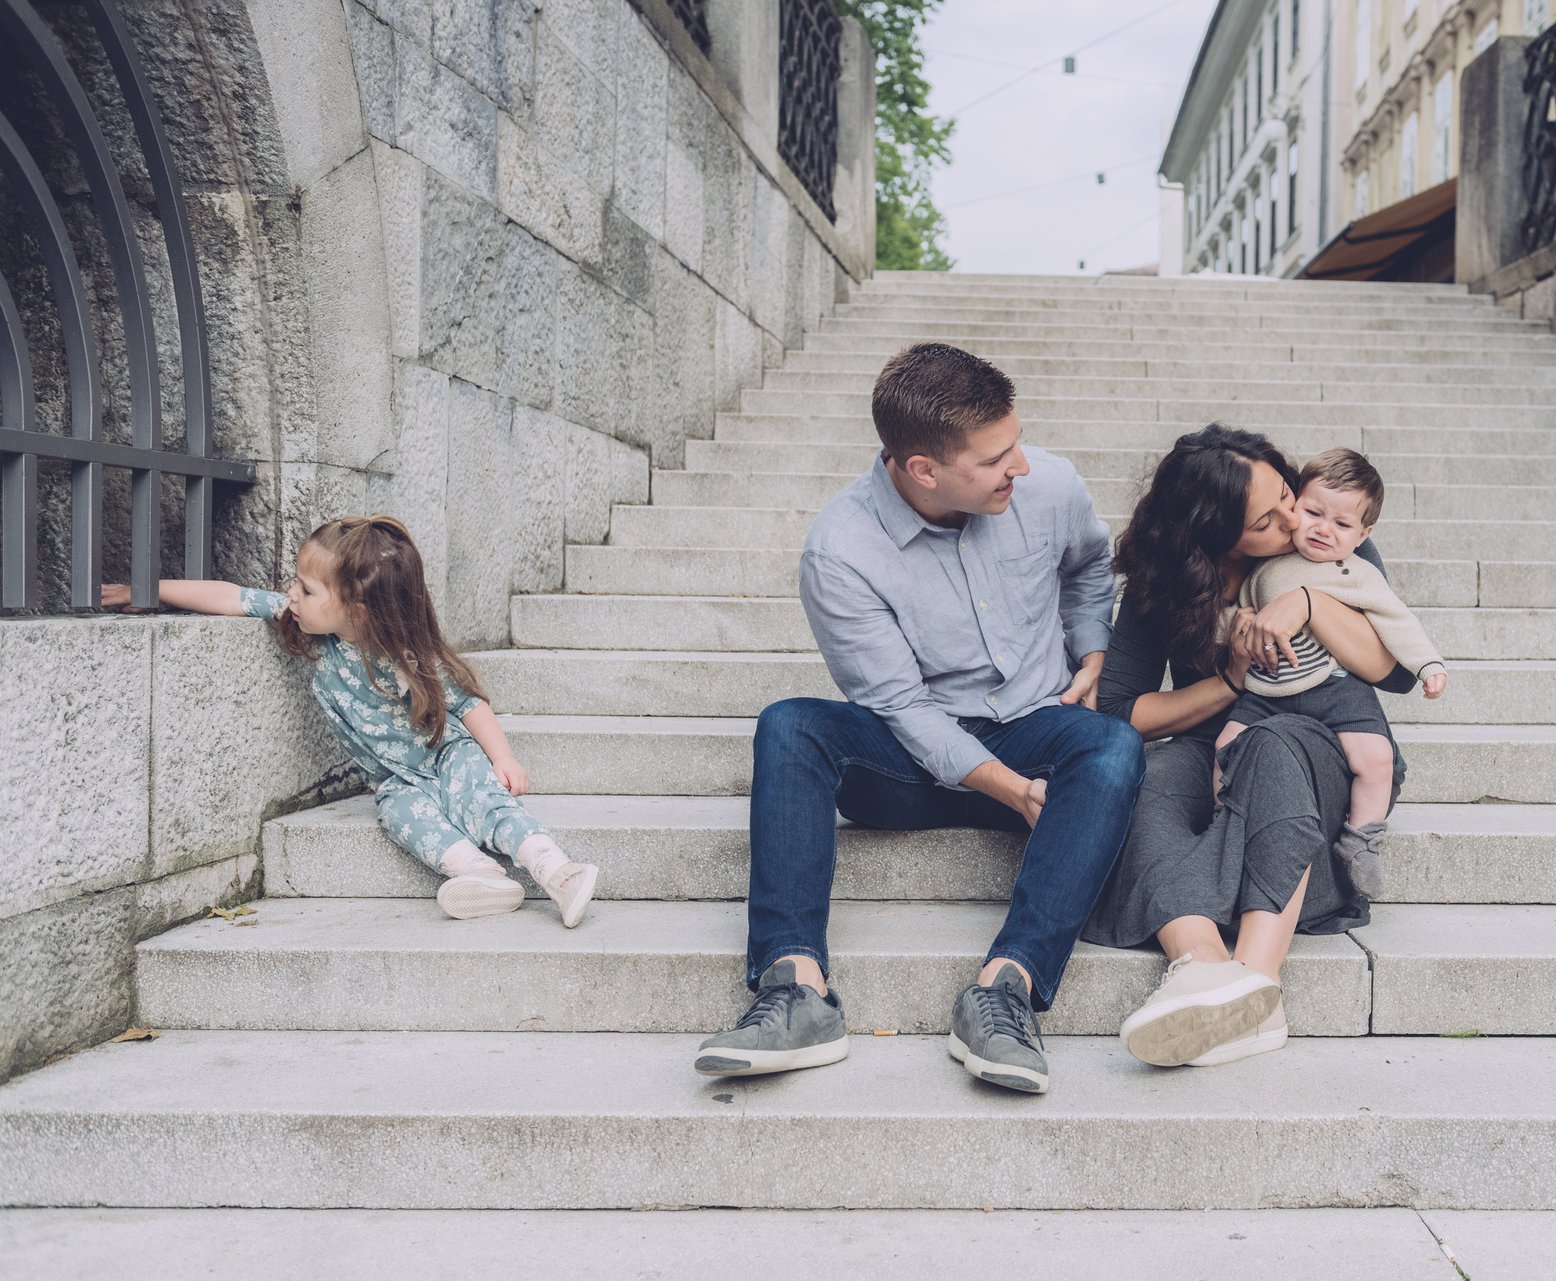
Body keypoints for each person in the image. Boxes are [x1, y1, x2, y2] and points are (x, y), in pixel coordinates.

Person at [694, 342, 1145, 1095]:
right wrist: (1011, 790)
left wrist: (1091, 646)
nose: (1020, 467)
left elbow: (1089, 565)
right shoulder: (840, 552)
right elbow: (901, 707)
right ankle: (795, 987)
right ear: (923, 469)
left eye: (1016, 444)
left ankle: (1006, 990)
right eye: (994, 459)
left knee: (1114, 747)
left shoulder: (1049, 485)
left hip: (1035, 727)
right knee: (790, 725)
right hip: (908, 762)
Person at [1084, 425, 1415, 1068]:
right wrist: (1231, 680)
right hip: (1212, 745)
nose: (1296, 519)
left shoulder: (1328, 539)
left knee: (1271, 743)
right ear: (1216, 538)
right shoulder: (1169, 578)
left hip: (1323, 745)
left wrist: (1310, 603)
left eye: (1286, 493)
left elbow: (1393, 670)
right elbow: (1122, 711)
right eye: (1267, 520)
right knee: (1140, 782)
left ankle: (1257, 982)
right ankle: (1201, 966)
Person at [100, 516, 598, 927]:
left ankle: (558, 871)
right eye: (297, 583)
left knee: (486, 804)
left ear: (357, 612)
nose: (292, 594)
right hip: (394, 779)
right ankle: (480, 875)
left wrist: (503, 758)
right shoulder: (315, 636)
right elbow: (234, 597)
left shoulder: (405, 655)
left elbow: (468, 704)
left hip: (446, 754)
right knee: (402, 818)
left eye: (306, 589)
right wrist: (149, 591)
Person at [1214, 447, 1446, 898]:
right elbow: (1239, 616)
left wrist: (1428, 664)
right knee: (1225, 747)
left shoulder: (1358, 574)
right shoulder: (1263, 567)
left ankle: (1362, 842)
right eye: (1313, 513)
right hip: (1269, 687)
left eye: (1341, 524)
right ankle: (1223, 821)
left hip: (1337, 687)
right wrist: (1231, 627)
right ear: (1294, 505)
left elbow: (1396, 620)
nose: (1323, 529)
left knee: (1375, 757)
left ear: (1363, 534)